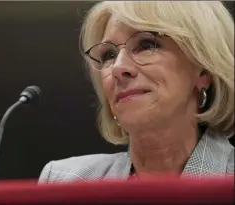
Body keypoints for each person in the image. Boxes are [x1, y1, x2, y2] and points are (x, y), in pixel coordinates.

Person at [38, 1, 234, 183]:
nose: (118, 68)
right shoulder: (63, 179)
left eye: (146, 45)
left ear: (204, 71)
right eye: (109, 55)